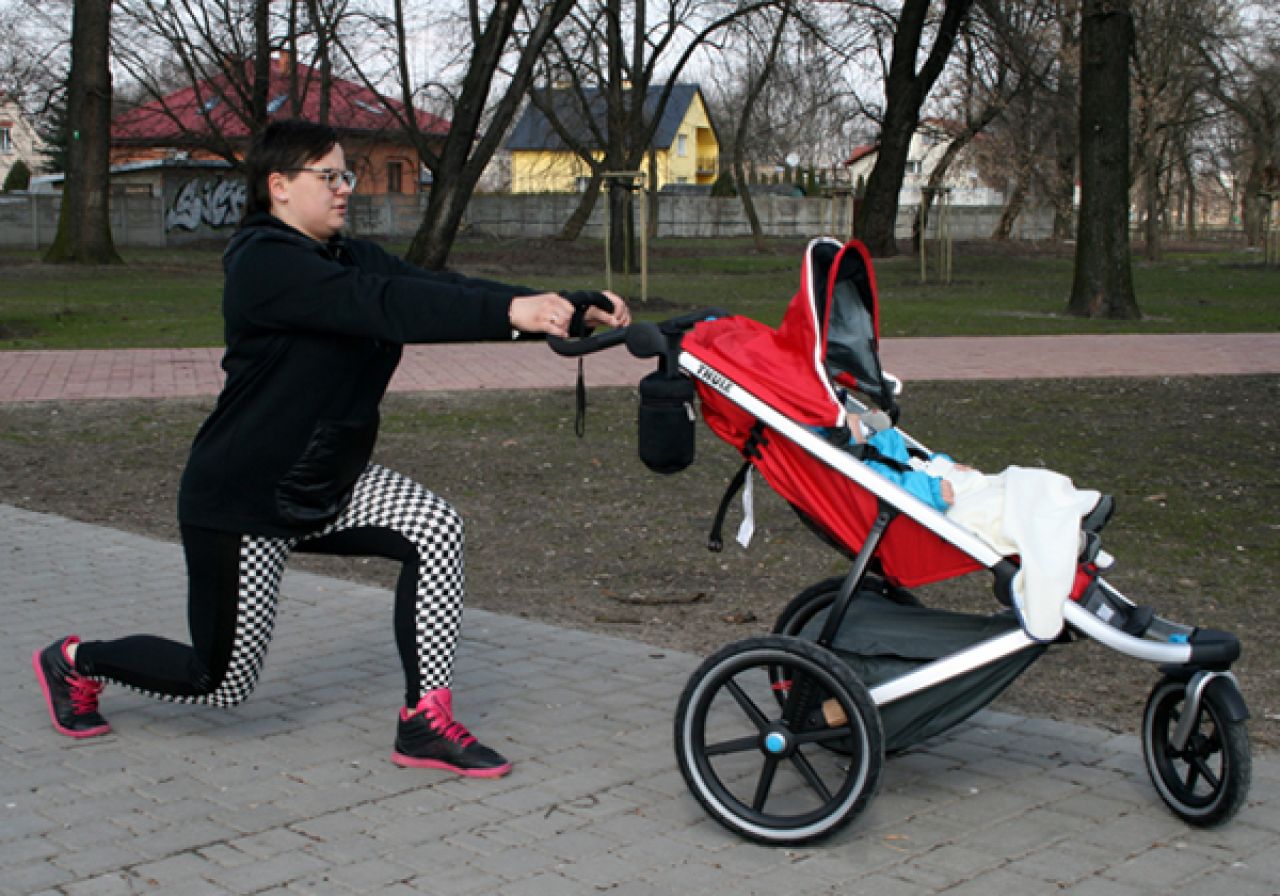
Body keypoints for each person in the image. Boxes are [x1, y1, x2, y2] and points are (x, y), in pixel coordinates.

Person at [30, 119, 630, 778]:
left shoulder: (346, 256)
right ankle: (75, 661)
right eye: (330, 176)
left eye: (347, 174)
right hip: (244, 497)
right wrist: (511, 315)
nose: (346, 188)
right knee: (220, 682)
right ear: (279, 186)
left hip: (323, 481)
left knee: (434, 528)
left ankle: (423, 723)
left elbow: (433, 289)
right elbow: (380, 305)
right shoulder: (263, 263)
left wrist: (553, 306)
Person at [848, 414, 1114, 641]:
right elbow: (890, 482)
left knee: (1015, 484)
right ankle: (1064, 530)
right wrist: (933, 487)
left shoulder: (863, 446)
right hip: (919, 515)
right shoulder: (853, 461)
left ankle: (1066, 519)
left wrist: (944, 464)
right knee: (1005, 508)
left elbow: (904, 462)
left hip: (927, 487)